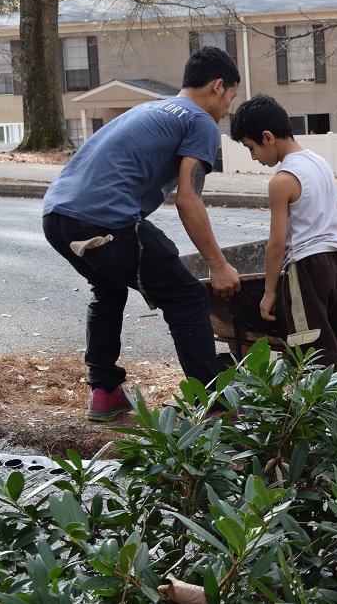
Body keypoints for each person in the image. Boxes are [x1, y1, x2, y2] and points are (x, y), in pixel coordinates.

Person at [42, 46, 241, 422]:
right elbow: (188, 199)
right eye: (231, 96)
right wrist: (218, 264)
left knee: (109, 288)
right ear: (218, 86)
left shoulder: (149, 108)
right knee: (187, 298)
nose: (229, 107)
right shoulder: (200, 120)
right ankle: (216, 409)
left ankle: (104, 393)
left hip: (56, 215)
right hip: (103, 220)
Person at [229, 93, 337, 370]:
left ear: (268, 137)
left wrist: (269, 292)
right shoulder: (320, 163)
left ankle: (316, 409)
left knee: (308, 350)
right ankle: (330, 406)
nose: (252, 157)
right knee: (329, 342)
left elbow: (277, 243)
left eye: (251, 148)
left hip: (307, 267)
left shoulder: (283, 180)